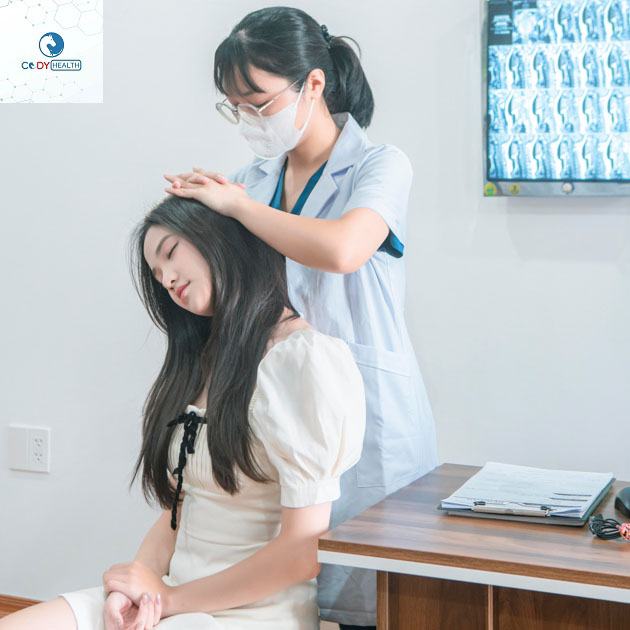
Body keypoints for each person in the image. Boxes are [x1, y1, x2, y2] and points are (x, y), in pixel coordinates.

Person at [162, 7, 439, 629]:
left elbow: (343, 249)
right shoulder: (251, 181)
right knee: (288, 591)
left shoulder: (379, 164)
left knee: (376, 606)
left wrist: (237, 208)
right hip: (277, 409)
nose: (248, 120)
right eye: (234, 107)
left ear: (314, 83)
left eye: (258, 102)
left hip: (369, 415)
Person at [0, 196, 366, 630]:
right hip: (174, 596)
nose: (168, 279)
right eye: (157, 275)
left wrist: (170, 600)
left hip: (254, 614)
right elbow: (178, 510)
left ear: (221, 239)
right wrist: (131, 589)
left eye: (171, 252)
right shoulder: (205, 360)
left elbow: (301, 554)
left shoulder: (301, 360)